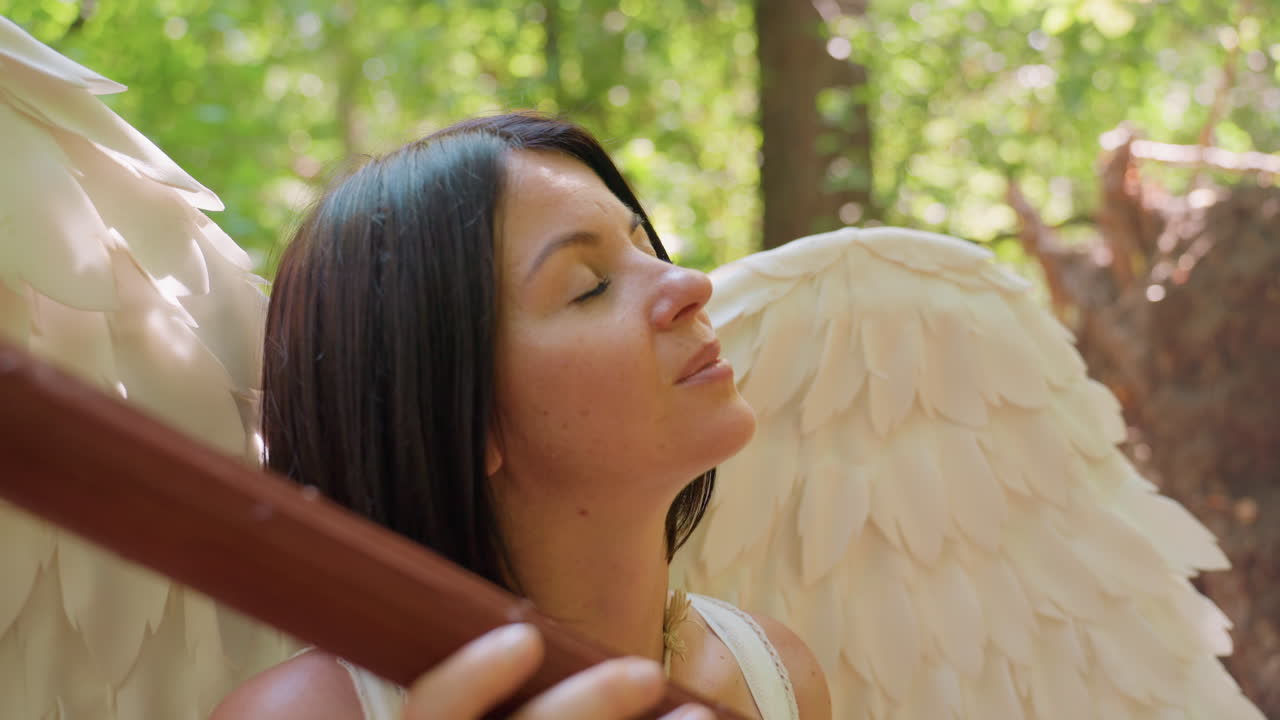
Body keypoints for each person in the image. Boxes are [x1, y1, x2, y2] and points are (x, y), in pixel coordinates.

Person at [211, 113, 831, 720]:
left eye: (644, 245)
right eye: (590, 286)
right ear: (458, 417)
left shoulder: (775, 678)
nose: (689, 284)